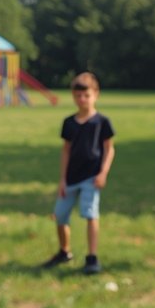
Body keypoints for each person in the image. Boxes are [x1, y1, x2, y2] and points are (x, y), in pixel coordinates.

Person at [41, 72, 116, 275]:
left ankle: (92, 257)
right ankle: (64, 251)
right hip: (71, 178)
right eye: (78, 96)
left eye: (86, 95)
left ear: (96, 95)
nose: (82, 100)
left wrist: (103, 173)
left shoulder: (102, 122)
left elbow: (109, 149)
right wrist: (63, 179)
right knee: (60, 215)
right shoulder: (69, 123)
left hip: (91, 177)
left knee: (91, 215)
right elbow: (66, 150)